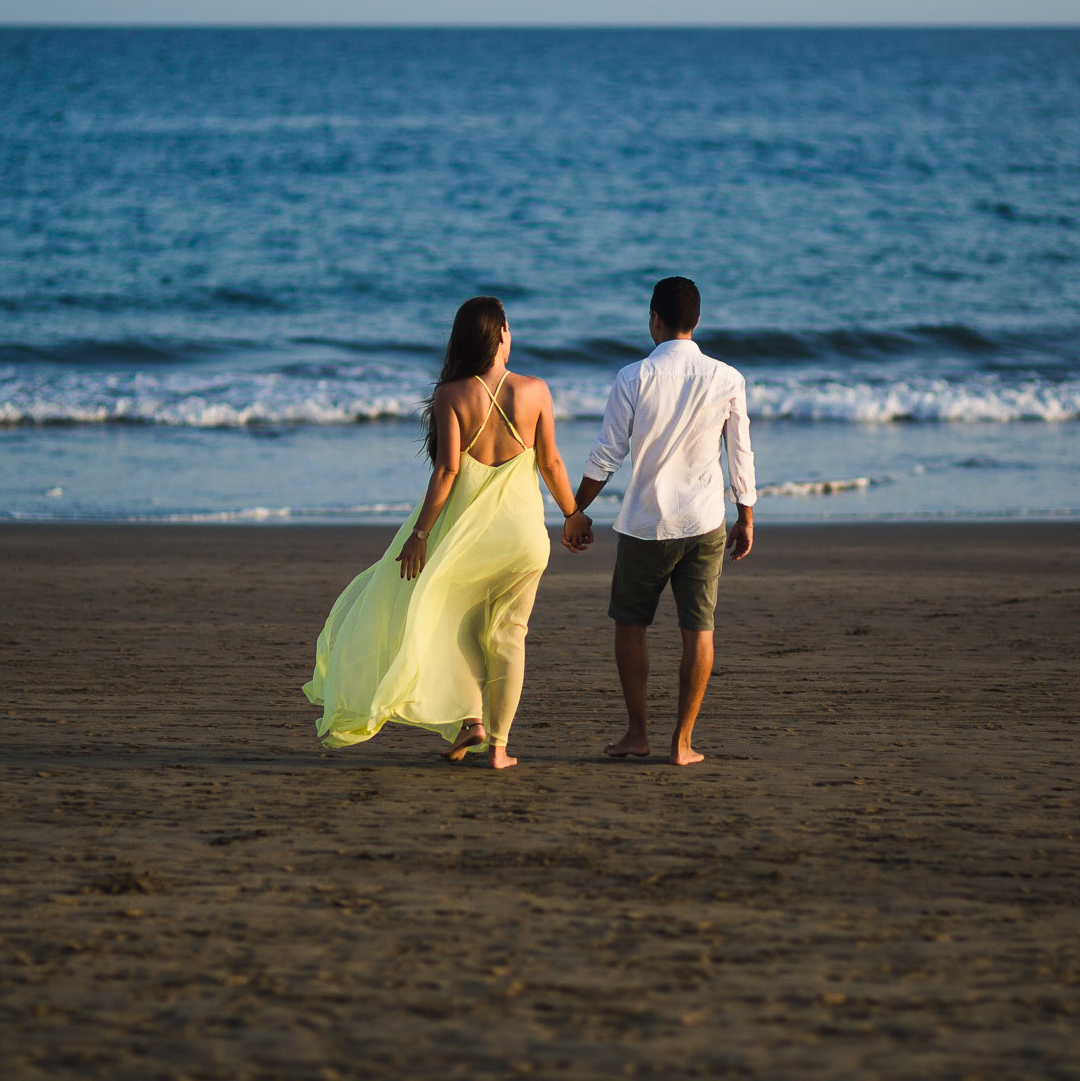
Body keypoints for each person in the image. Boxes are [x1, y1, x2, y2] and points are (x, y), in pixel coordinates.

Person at [302, 297, 587, 769]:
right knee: (509, 636)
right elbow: (552, 462)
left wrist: (420, 533)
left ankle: (473, 720)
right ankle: (494, 745)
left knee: (446, 621)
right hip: (523, 540)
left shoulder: (452, 395)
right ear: (500, 335)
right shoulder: (535, 390)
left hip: (466, 541)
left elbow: (447, 472)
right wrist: (573, 516)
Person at [566, 277, 756, 766]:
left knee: (631, 626)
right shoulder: (727, 377)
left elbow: (607, 454)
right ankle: (682, 742)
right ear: (696, 321)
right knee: (699, 629)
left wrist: (576, 510)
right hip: (705, 521)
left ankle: (638, 733)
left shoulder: (633, 377)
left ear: (653, 318)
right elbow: (740, 454)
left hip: (645, 523)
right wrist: (746, 515)